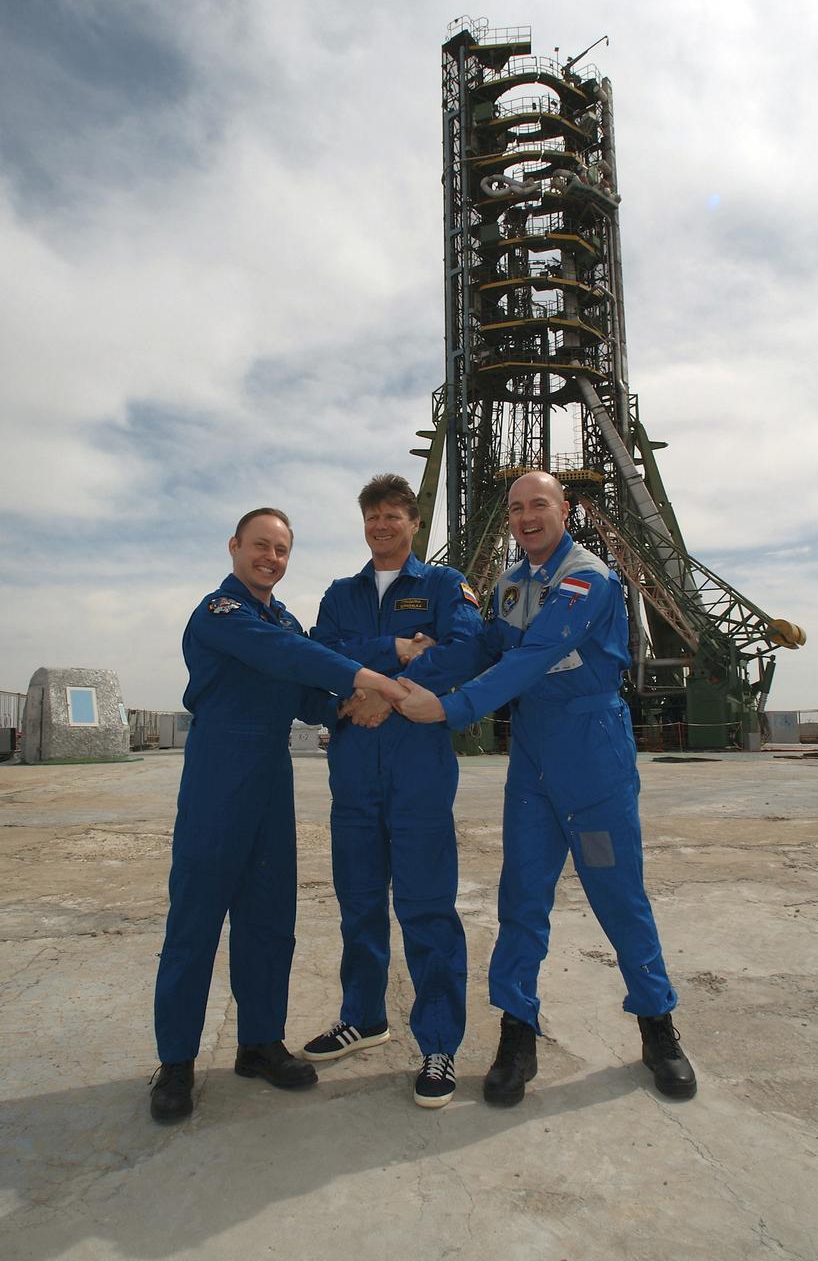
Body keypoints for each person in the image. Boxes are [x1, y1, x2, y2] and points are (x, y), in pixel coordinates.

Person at [396, 471, 697, 1106]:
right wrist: (397, 672)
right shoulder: (508, 588)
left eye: (540, 505)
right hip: (532, 761)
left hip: (592, 759)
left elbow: (532, 656)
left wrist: (450, 710)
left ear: (565, 510)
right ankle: (517, 1029)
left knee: (618, 895)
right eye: (516, 508)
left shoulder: (589, 578)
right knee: (522, 899)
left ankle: (657, 1026)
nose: (527, 517)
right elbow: (482, 650)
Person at [150, 508, 406, 1122]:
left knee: (269, 918)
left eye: (282, 550)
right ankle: (177, 1063)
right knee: (195, 922)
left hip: (270, 778)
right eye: (261, 545)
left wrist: (351, 702)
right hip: (218, 776)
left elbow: (306, 692)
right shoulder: (223, 614)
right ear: (235, 546)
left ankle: (259, 1043)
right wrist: (369, 678)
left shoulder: (282, 617)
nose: (271, 557)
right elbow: (291, 658)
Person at [301, 475, 484, 1108]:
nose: (383, 526)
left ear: (414, 523)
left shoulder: (442, 584)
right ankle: (365, 1016)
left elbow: (466, 650)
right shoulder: (340, 592)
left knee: (427, 908)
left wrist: (378, 689)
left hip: (417, 771)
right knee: (358, 902)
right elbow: (318, 654)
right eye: (373, 517)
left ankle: (438, 1043)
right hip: (353, 772)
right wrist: (394, 652)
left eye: (394, 517)